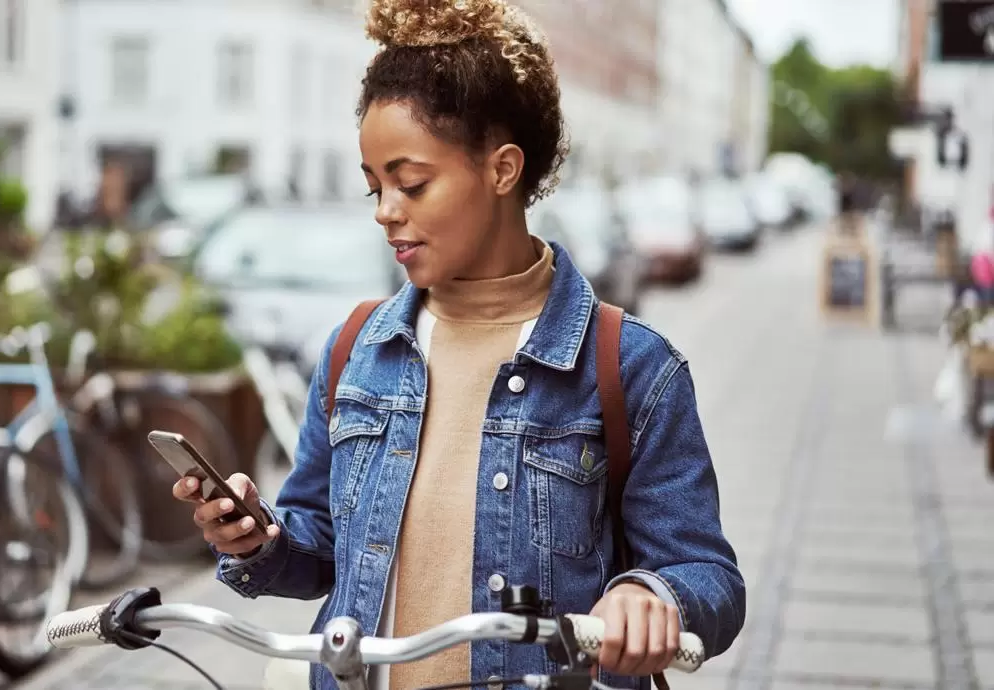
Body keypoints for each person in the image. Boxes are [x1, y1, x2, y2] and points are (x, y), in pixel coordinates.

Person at [173, 1, 745, 688]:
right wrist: (260, 538)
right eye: (374, 186)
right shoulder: (358, 348)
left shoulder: (631, 366)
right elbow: (322, 547)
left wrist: (651, 597)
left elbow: (708, 576)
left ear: (503, 170)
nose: (386, 209)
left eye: (411, 183)